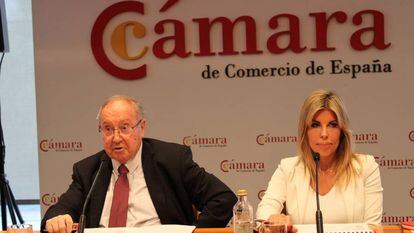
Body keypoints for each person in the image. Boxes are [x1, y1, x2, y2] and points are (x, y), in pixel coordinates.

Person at [41, 95, 237, 233]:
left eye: (124, 128)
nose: (116, 138)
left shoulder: (172, 160)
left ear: (141, 128)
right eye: (107, 129)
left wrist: (194, 232)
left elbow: (222, 198)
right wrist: (59, 218)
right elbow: (60, 210)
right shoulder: (88, 170)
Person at [256, 89, 383, 229]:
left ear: (342, 130)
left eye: (332, 125)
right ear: (305, 131)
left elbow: (373, 227)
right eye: (315, 125)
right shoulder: (288, 168)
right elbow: (264, 212)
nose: (324, 134)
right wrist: (274, 218)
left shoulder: (366, 166)